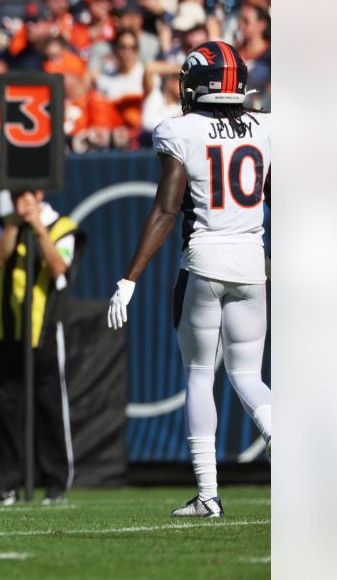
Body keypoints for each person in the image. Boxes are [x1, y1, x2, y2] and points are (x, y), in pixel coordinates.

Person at [107, 41, 271, 517]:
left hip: (203, 261)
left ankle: (208, 495)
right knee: (247, 376)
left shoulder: (179, 131)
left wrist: (130, 278)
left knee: (199, 375)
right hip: (250, 260)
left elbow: (165, 209)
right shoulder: (266, 127)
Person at [0, 188, 79, 505]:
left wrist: (38, 227)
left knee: (50, 405)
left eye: (27, 193)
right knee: (7, 406)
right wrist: (15, 223)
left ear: (40, 194)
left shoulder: (62, 226)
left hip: (45, 327)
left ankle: (56, 483)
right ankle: (6, 483)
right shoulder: (5, 223)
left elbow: (59, 269)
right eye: (16, 194)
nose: (21, 200)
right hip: (8, 327)